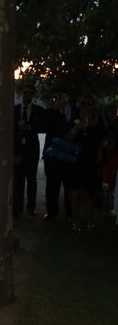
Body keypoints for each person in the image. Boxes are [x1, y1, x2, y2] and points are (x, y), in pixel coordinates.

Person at [64, 94, 104, 232]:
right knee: (73, 191)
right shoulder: (74, 121)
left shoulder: (98, 123)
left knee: (88, 193)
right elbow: (66, 139)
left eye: (89, 104)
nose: (86, 107)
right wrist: (77, 128)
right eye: (83, 104)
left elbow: (100, 144)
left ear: (94, 107)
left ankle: (88, 219)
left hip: (90, 163)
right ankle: (75, 219)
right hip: (74, 161)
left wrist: (99, 160)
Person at [13, 84, 45, 217]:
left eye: (29, 94)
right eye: (25, 93)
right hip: (18, 149)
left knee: (32, 179)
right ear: (21, 95)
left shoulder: (39, 110)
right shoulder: (14, 110)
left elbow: (42, 126)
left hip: (32, 149)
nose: (27, 96)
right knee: (18, 180)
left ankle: (31, 207)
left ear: (33, 96)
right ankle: (17, 208)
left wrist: (30, 127)